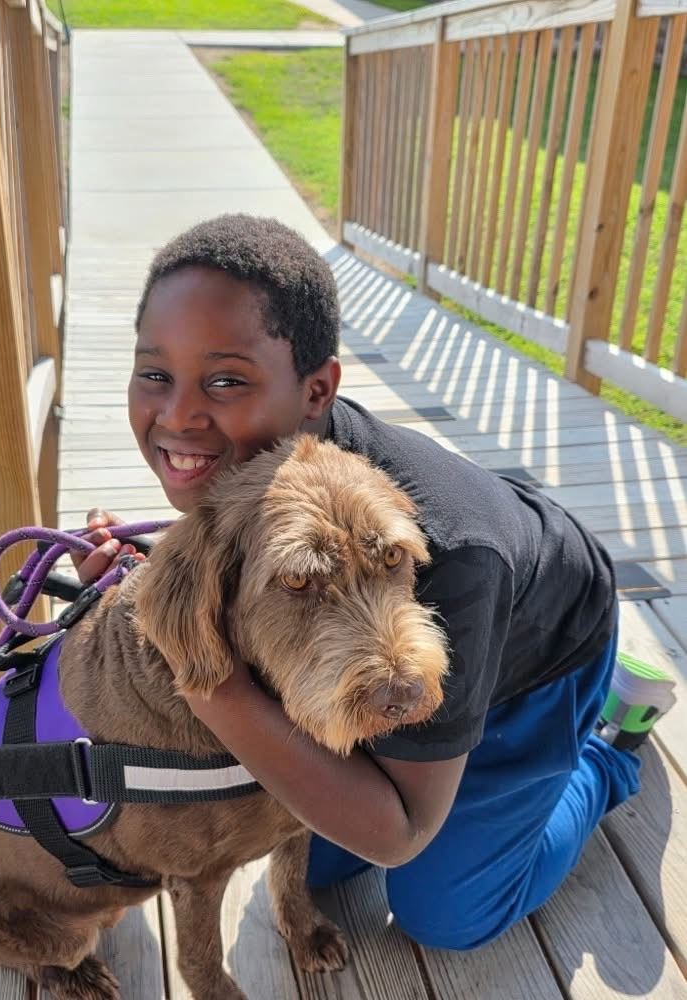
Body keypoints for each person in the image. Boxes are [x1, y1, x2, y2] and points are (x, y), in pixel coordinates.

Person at [73, 213, 645, 950]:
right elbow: (245, 570)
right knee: (313, 847)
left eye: (225, 380)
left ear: (318, 392)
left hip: (537, 655)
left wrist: (195, 667)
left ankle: (607, 748)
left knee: (442, 912)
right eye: (156, 374)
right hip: (423, 639)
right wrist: (146, 581)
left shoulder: (451, 561)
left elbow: (398, 833)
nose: (180, 414)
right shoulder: (248, 459)